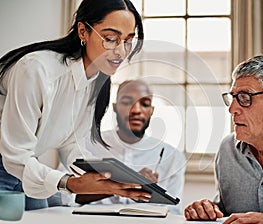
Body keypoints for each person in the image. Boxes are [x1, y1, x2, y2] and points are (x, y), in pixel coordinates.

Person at [0, 0, 152, 211]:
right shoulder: (35, 69)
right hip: (10, 163)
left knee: (50, 212)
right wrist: (70, 183)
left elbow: (72, 143)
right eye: (110, 39)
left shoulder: (96, 80)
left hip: (27, 164)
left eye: (128, 40)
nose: (121, 51)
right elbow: (14, 156)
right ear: (83, 31)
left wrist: (108, 176)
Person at [184, 55, 263, 223]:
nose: (232, 109)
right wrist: (208, 209)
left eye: (245, 98)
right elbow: (226, 211)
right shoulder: (227, 150)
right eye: (233, 97)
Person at [77, 79, 186, 214]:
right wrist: (130, 182)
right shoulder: (88, 145)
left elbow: (174, 211)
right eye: (127, 102)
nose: (136, 110)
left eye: (144, 104)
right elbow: (64, 197)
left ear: (151, 111)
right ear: (115, 107)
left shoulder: (173, 157)